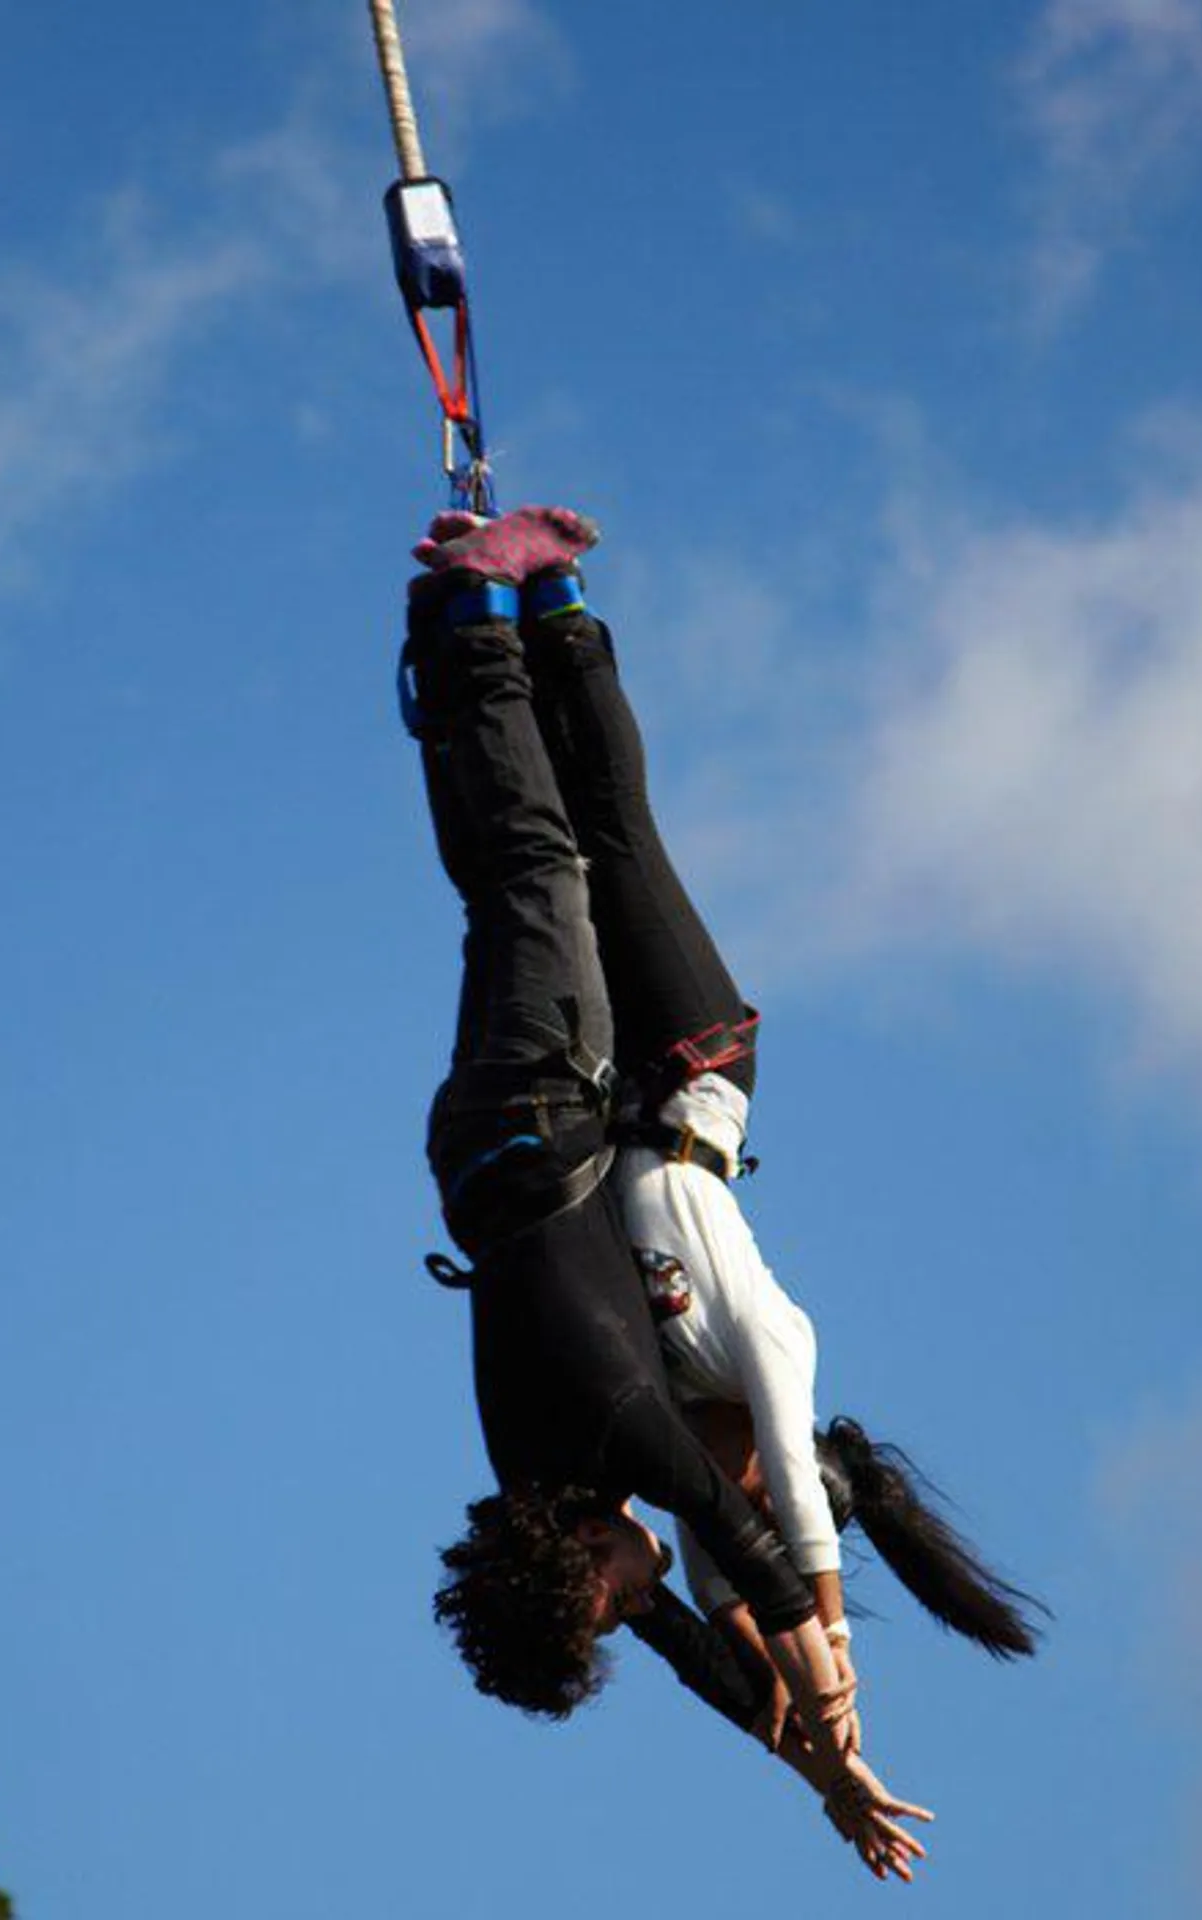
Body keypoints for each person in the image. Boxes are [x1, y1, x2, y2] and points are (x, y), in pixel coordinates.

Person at [399, 505, 929, 1879]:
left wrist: (833, 1709)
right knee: (502, 887)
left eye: (607, 1611)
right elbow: (698, 1643)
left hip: (543, 1105)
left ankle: (473, 612)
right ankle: (454, 626)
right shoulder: (543, 1476)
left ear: (582, 1566)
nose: (640, 1609)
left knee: (544, 866)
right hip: (482, 1150)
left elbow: (753, 1554)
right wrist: (816, 1777)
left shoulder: (620, 1429)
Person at [501, 534, 1044, 1736]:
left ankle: (496, 644)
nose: (731, 1494)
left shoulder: (664, 1445)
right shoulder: (773, 1356)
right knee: (619, 836)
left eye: (729, 1499)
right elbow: (793, 1507)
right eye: (752, 1475)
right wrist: (834, 1645)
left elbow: (713, 1643)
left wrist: (827, 1768)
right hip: (694, 1065)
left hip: (600, 1090)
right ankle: (566, 614)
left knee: (549, 867)